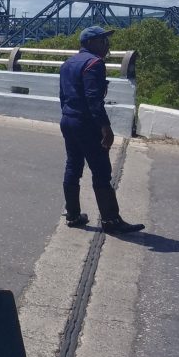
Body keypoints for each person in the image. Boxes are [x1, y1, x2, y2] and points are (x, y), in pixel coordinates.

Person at [59, 26, 144, 234]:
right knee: (101, 171)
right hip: (87, 124)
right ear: (90, 43)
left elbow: (62, 96)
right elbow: (94, 100)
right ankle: (111, 220)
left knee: (73, 165)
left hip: (68, 120)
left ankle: (73, 214)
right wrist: (105, 128)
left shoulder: (68, 63)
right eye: (102, 41)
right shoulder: (94, 64)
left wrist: (70, 116)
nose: (107, 45)